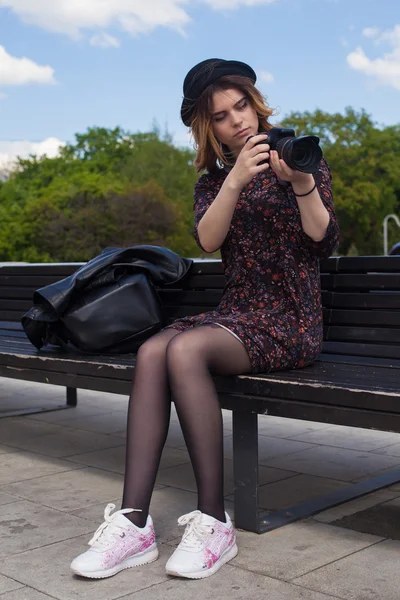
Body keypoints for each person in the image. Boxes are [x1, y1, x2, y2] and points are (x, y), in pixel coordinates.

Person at [70, 57, 340, 581]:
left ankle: (215, 522)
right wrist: (235, 180)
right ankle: (134, 523)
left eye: (242, 106)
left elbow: (323, 241)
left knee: (185, 349)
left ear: (255, 104)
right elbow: (209, 240)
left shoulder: (300, 159)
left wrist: (302, 182)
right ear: (207, 126)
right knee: (153, 350)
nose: (238, 120)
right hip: (238, 316)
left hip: (290, 321)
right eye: (221, 115)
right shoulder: (214, 180)